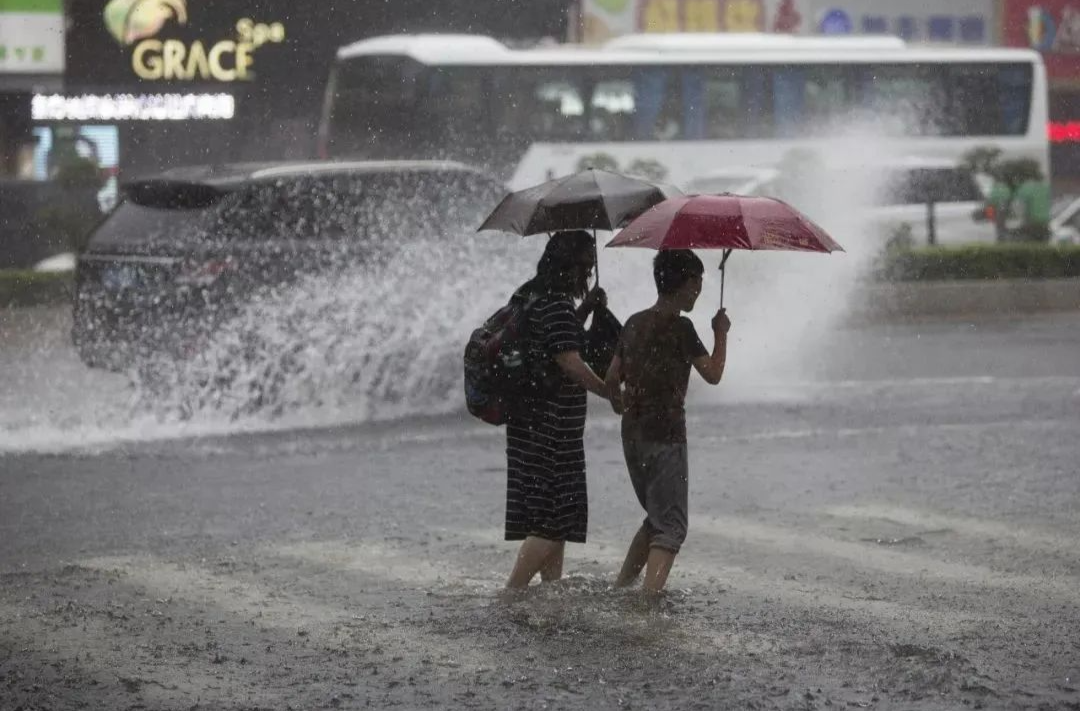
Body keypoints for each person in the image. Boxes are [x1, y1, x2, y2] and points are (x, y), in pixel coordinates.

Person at [604, 249, 731, 596]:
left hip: (632, 435)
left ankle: (620, 589)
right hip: (667, 435)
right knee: (671, 526)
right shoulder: (681, 327)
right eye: (698, 282)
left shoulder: (633, 322)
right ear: (686, 283)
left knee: (655, 518)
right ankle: (647, 604)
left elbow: (612, 376)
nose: (700, 290)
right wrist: (720, 332)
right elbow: (714, 374)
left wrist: (619, 404)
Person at [504, 230, 613, 590]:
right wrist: (609, 391)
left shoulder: (532, 295)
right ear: (573, 267)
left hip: (529, 424)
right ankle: (513, 592)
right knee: (554, 518)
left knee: (555, 515)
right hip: (550, 429)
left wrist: (584, 309)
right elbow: (568, 360)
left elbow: (553, 341)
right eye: (588, 267)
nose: (590, 274)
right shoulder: (556, 303)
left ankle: (551, 589)